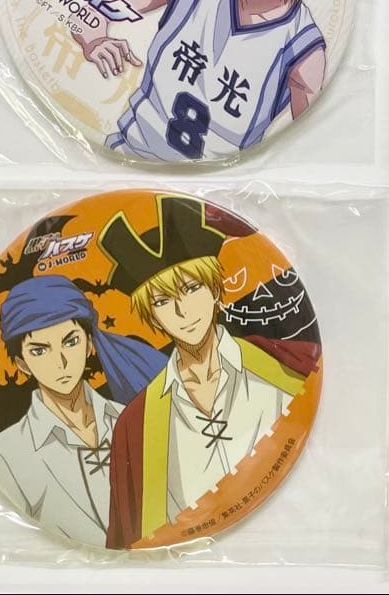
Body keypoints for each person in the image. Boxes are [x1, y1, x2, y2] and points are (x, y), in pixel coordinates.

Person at [100, 194, 314, 549]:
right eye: (162, 301)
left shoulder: (286, 365)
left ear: (216, 290)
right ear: (154, 318)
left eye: (192, 288)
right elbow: (130, 540)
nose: (182, 311)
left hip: (294, 526)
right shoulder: (134, 425)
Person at [72, 0, 340, 160]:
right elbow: (96, 5)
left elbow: (310, 147)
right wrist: (94, 40)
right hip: (126, 154)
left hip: (217, 182)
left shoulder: (303, 48)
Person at [0, 275, 167, 546]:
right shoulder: (4, 454)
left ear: (90, 344)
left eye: (70, 342)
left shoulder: (136, 420)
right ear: (22, 364)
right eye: (39, 350)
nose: (60, 362)